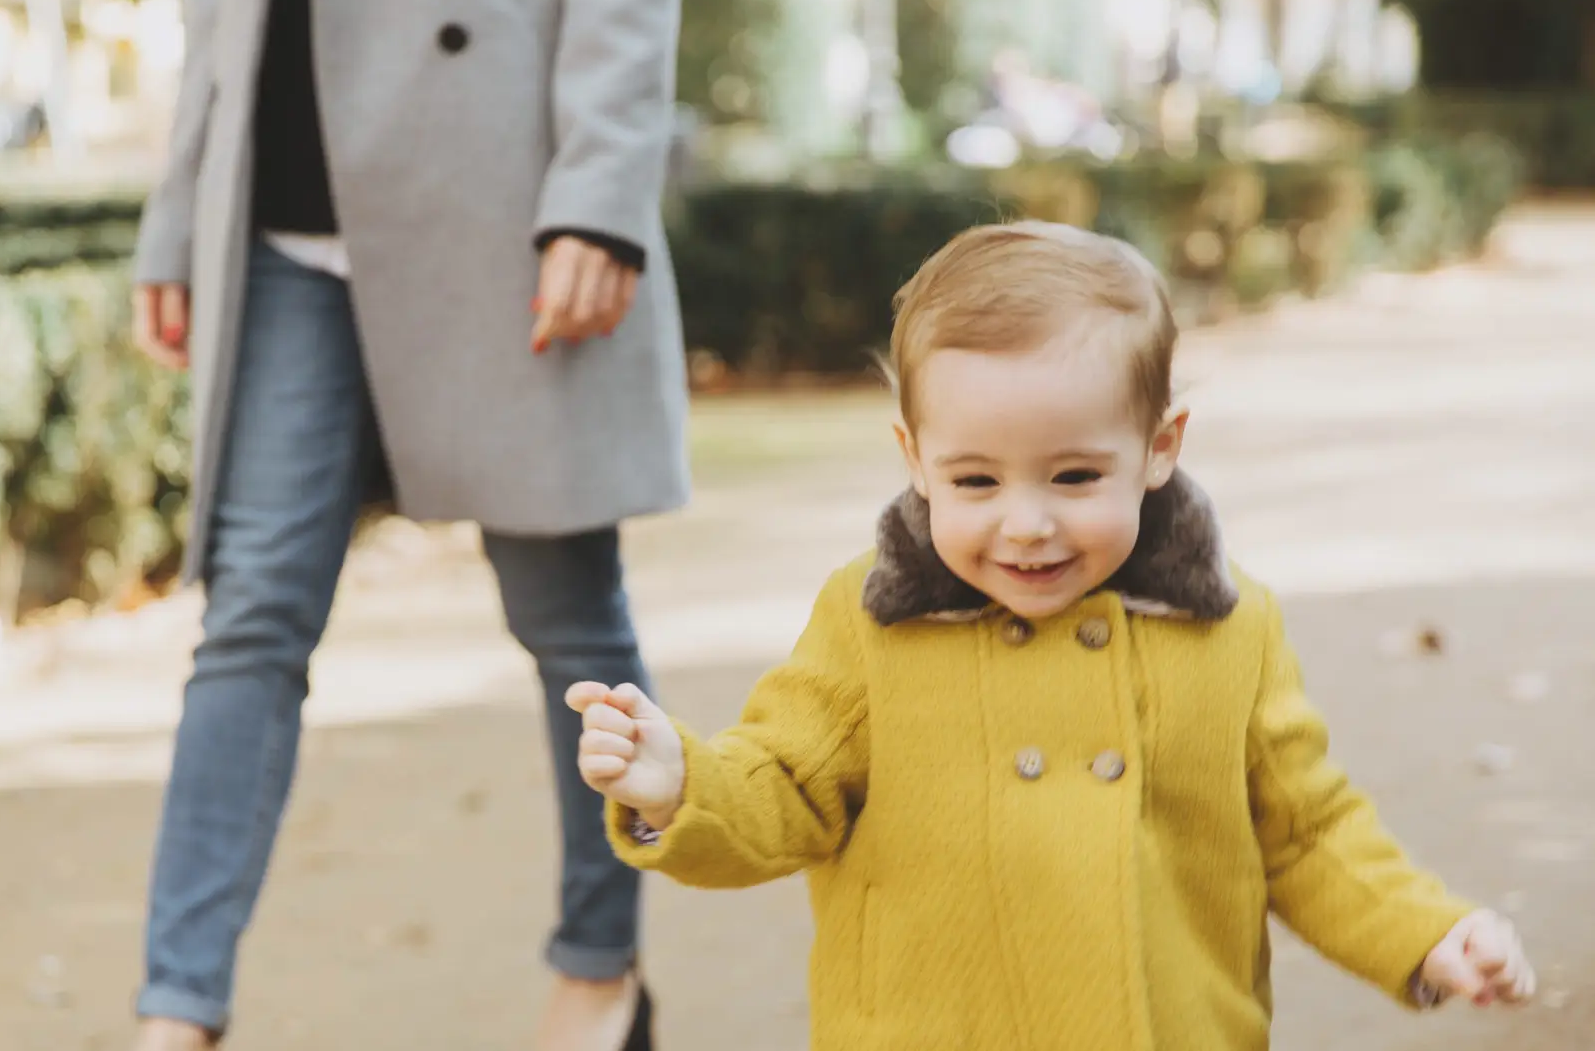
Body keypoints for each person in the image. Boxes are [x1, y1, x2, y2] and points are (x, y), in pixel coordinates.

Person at [565, 221, 1538, 1049]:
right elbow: (783, 783)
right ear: (914, 460)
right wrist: (679, 783)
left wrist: (1424, 930)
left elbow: (1307, 832)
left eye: (1073, 477)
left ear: (1159, 447)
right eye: (975, 481)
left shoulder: (1227, 627)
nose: (1025, 523)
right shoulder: (872, 619)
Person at [126, 0, 687, 1047]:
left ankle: (598, 965)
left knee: (565, 613)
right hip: (275, 219)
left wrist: (602, 189)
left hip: (502, 189)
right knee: (250, 617)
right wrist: (179, 208)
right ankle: (178, 1006)